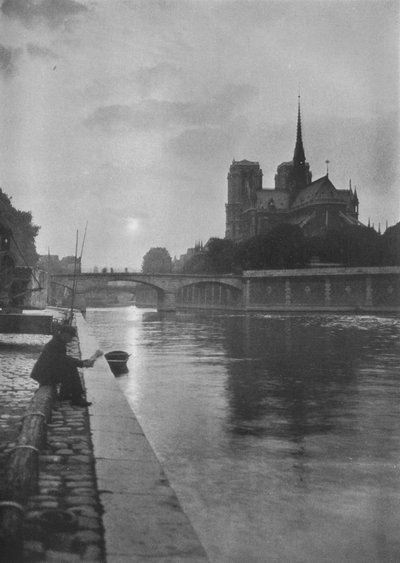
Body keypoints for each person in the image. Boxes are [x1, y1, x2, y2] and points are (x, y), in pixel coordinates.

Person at [30, 324, 95, 407]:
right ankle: (77, 398)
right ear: (64, 334)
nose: (71, 339)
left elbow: (62, 360)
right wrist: (82, 363)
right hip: (44, 375)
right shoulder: (56, 344)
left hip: (45, 372)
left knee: (69, 367)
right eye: (70, 337)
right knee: (71, 369)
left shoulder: (57, 341)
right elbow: (63, 359)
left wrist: (82, 362)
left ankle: (65, 394)